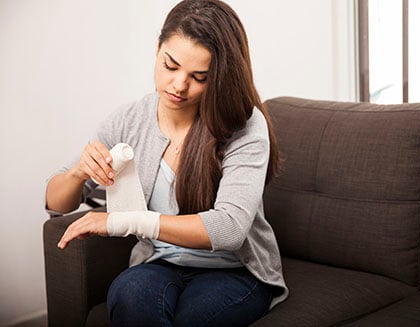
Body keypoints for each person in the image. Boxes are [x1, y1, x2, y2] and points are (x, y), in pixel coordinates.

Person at [45, 0, 288, 325]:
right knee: (129, 296)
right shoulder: (130, 121)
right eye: (170, 66)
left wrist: (124, 222)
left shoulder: (243, 124)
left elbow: (229, 229)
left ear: (220, 76)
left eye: (199, 77)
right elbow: (55, 203)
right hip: (158, 264)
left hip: (235, 271)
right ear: (158, 49)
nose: (179, 86)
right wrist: (78, 172)